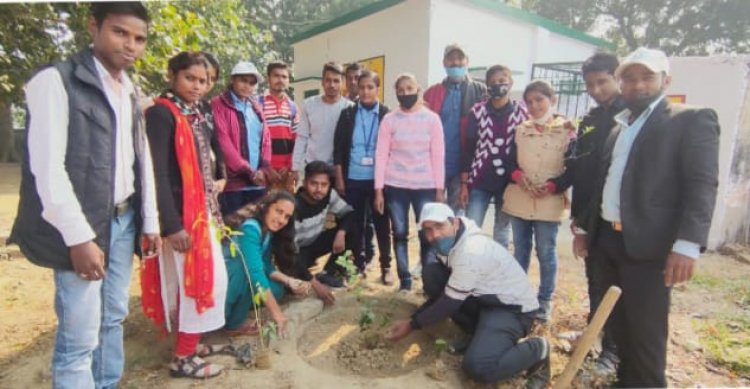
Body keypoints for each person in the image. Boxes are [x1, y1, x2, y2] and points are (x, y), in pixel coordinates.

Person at [8, 3, 159, 388]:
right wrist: (79, 238)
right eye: (120, 33)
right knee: (79, 333)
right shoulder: (55, 82)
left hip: (124, 222)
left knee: (113, 317)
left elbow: (139, 160)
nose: (130, 45)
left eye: (139, 38)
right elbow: (48, 169)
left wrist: (150, 219)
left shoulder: (130, 90)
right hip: (83, 224)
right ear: (93, 26)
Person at [579, 47, 719, 387]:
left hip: (648, 247)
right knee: (619, 326)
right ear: (620, 83)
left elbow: (702, 184)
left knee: (645, 334)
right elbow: (605, 183)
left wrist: (687, 245)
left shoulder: (689, 119)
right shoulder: (621, 126)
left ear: (665, 80)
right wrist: (585, 228)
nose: (637, 85)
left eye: (647, 77)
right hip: (608, 242)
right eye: (629, 78)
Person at [386, 203, 549, 389]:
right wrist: (414, 319)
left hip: (512, 309)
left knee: (478, 367)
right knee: (433, 275)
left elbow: (449, 302)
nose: (435, 235)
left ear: (454, 223)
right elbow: (448, 294)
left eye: (440, 226)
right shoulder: (450, 243)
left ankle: (538, 349)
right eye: (428, 230)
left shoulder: (470, 250)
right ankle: (475, 334)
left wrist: (412, 324)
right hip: (485, 297)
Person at [145, 51, 229, 378]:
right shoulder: (162, 114)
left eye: (205, 81)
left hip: (201, 211)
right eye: (190, 79)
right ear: (172, 75)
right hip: (182, 219)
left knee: (196, 283)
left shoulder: (192, 112)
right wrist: (171, 225)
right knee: (202, 283)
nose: (198, 86)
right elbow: (159, 174)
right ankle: (183, 358)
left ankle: (189, 344)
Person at [503, 80, 575, 322]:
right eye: (529, 102)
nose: (534, 106)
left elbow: (573, 168)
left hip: (549, 202)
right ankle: (519, 296)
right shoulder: (521, 130)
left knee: (546, 251)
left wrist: (554, 186)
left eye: (539, 100)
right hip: (520, 199)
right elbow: (509, 161)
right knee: (520, 249)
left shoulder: (567, 131)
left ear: (552, 100)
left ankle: (544, 301)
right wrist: (518, 177)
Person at [570, 52, 624, 375]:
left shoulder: (630, 117)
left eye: (602, 82)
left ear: (617, 78)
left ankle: (613, 352)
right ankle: (595, 336)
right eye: (590, 84)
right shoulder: (589, 119)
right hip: (590, 217)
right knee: (594, 280)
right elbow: (581, 171)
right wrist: (578, 221)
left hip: (618, 217)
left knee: (615, 285)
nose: (596, 89)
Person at [374, 73, 445, 291]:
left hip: (425, 186)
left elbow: (438, 155)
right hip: (395, 186)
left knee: (427, 233)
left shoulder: (432, 119)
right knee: (400, 232)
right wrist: (378, 189)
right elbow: (381, 155)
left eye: (409, 88)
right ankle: (404, 279)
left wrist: (440, 189)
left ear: (418, 89)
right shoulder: (390, 120)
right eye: (400, 90)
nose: (405, 93)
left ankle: (427, 280)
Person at [333, 70, 393, 284]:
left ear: (378, 89)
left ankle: (386, 266)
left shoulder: (387, 114)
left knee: (382, 224)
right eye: (362, 87)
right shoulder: (348, 114)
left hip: (379, 181)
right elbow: (338, 149)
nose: (366, 91)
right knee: (356, 225)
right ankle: (358, 265)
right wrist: (340, 178)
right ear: (356, 88)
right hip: (354, 179)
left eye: (371, 87)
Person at [460, 64, 528, 248]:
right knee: (471, 227)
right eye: (493, 82)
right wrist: (465, 183)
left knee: (502, 230)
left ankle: (500, 271)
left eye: (502, 81)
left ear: (511, 83)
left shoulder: (522, 112)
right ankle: (471, 268)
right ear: (487, 86)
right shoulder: (478, 112)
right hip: (480, 178)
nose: (498, 85)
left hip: (509, 182)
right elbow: (469, 148)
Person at [222, 191, 307, 337]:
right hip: (224, 282)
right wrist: (278, 315)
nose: (281, 220)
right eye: (278, 211)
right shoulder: (250, 228)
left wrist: (289, 281)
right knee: (251, 275)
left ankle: (239, 306)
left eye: (287, 216)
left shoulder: (266, 232)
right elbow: (255, 272)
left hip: (236, 280)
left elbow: (266, 265)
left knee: (277, 290)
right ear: (266, 207)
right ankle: (232, 323)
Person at [424, 44, 487, 212]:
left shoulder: (480, 91)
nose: (456, 63)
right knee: (432, 213)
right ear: (444, 62)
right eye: (451, 59)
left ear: (467, 62)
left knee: (456, 216)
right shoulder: (432, 92)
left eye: (460, 58)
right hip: (434, 165)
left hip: (463, 167)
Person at [211, 61, 272, 215]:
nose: (247, 86)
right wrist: (249, 171)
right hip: (233, 184)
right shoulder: (218, 104)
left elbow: (265, 139)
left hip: (258, 182)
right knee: (233, 229)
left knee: (254, 227)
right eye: (243, 80)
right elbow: (223, 142)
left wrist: (264, 169)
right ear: (233, 79)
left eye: (252, 83)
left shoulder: (256, 106)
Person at [293, 161, 352, 299]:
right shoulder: (294, 207)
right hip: (298, 252)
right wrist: (314, 284)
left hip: (315, 242)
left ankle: (328, 273)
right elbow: (291, 256)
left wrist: (341, 233)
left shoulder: (329, 195)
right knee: (294, 283)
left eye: (324, 185)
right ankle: (313, 278)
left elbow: (349, 213)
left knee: (350, 229)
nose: (319, 189)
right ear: (305, 182)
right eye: (314, 184)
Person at [292, 62, 353, 175]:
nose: (332, 85)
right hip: (313, 167)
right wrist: (295, 167)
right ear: (322, 82)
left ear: (342, 83)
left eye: (336, 81)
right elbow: (302, 138)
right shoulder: (309, 104)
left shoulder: (349, 108)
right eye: (328, 80)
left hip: (338, 170)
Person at [259, 60, 299, 171]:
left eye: (284, 77)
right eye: (276, 76)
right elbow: (255, 140)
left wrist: (290, 167)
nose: (280, 80)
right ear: (268, 78)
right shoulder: (258, 104)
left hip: (287, 172)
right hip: (264, 170)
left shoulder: (293, 107)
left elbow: (297, 141)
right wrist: (267, 168)